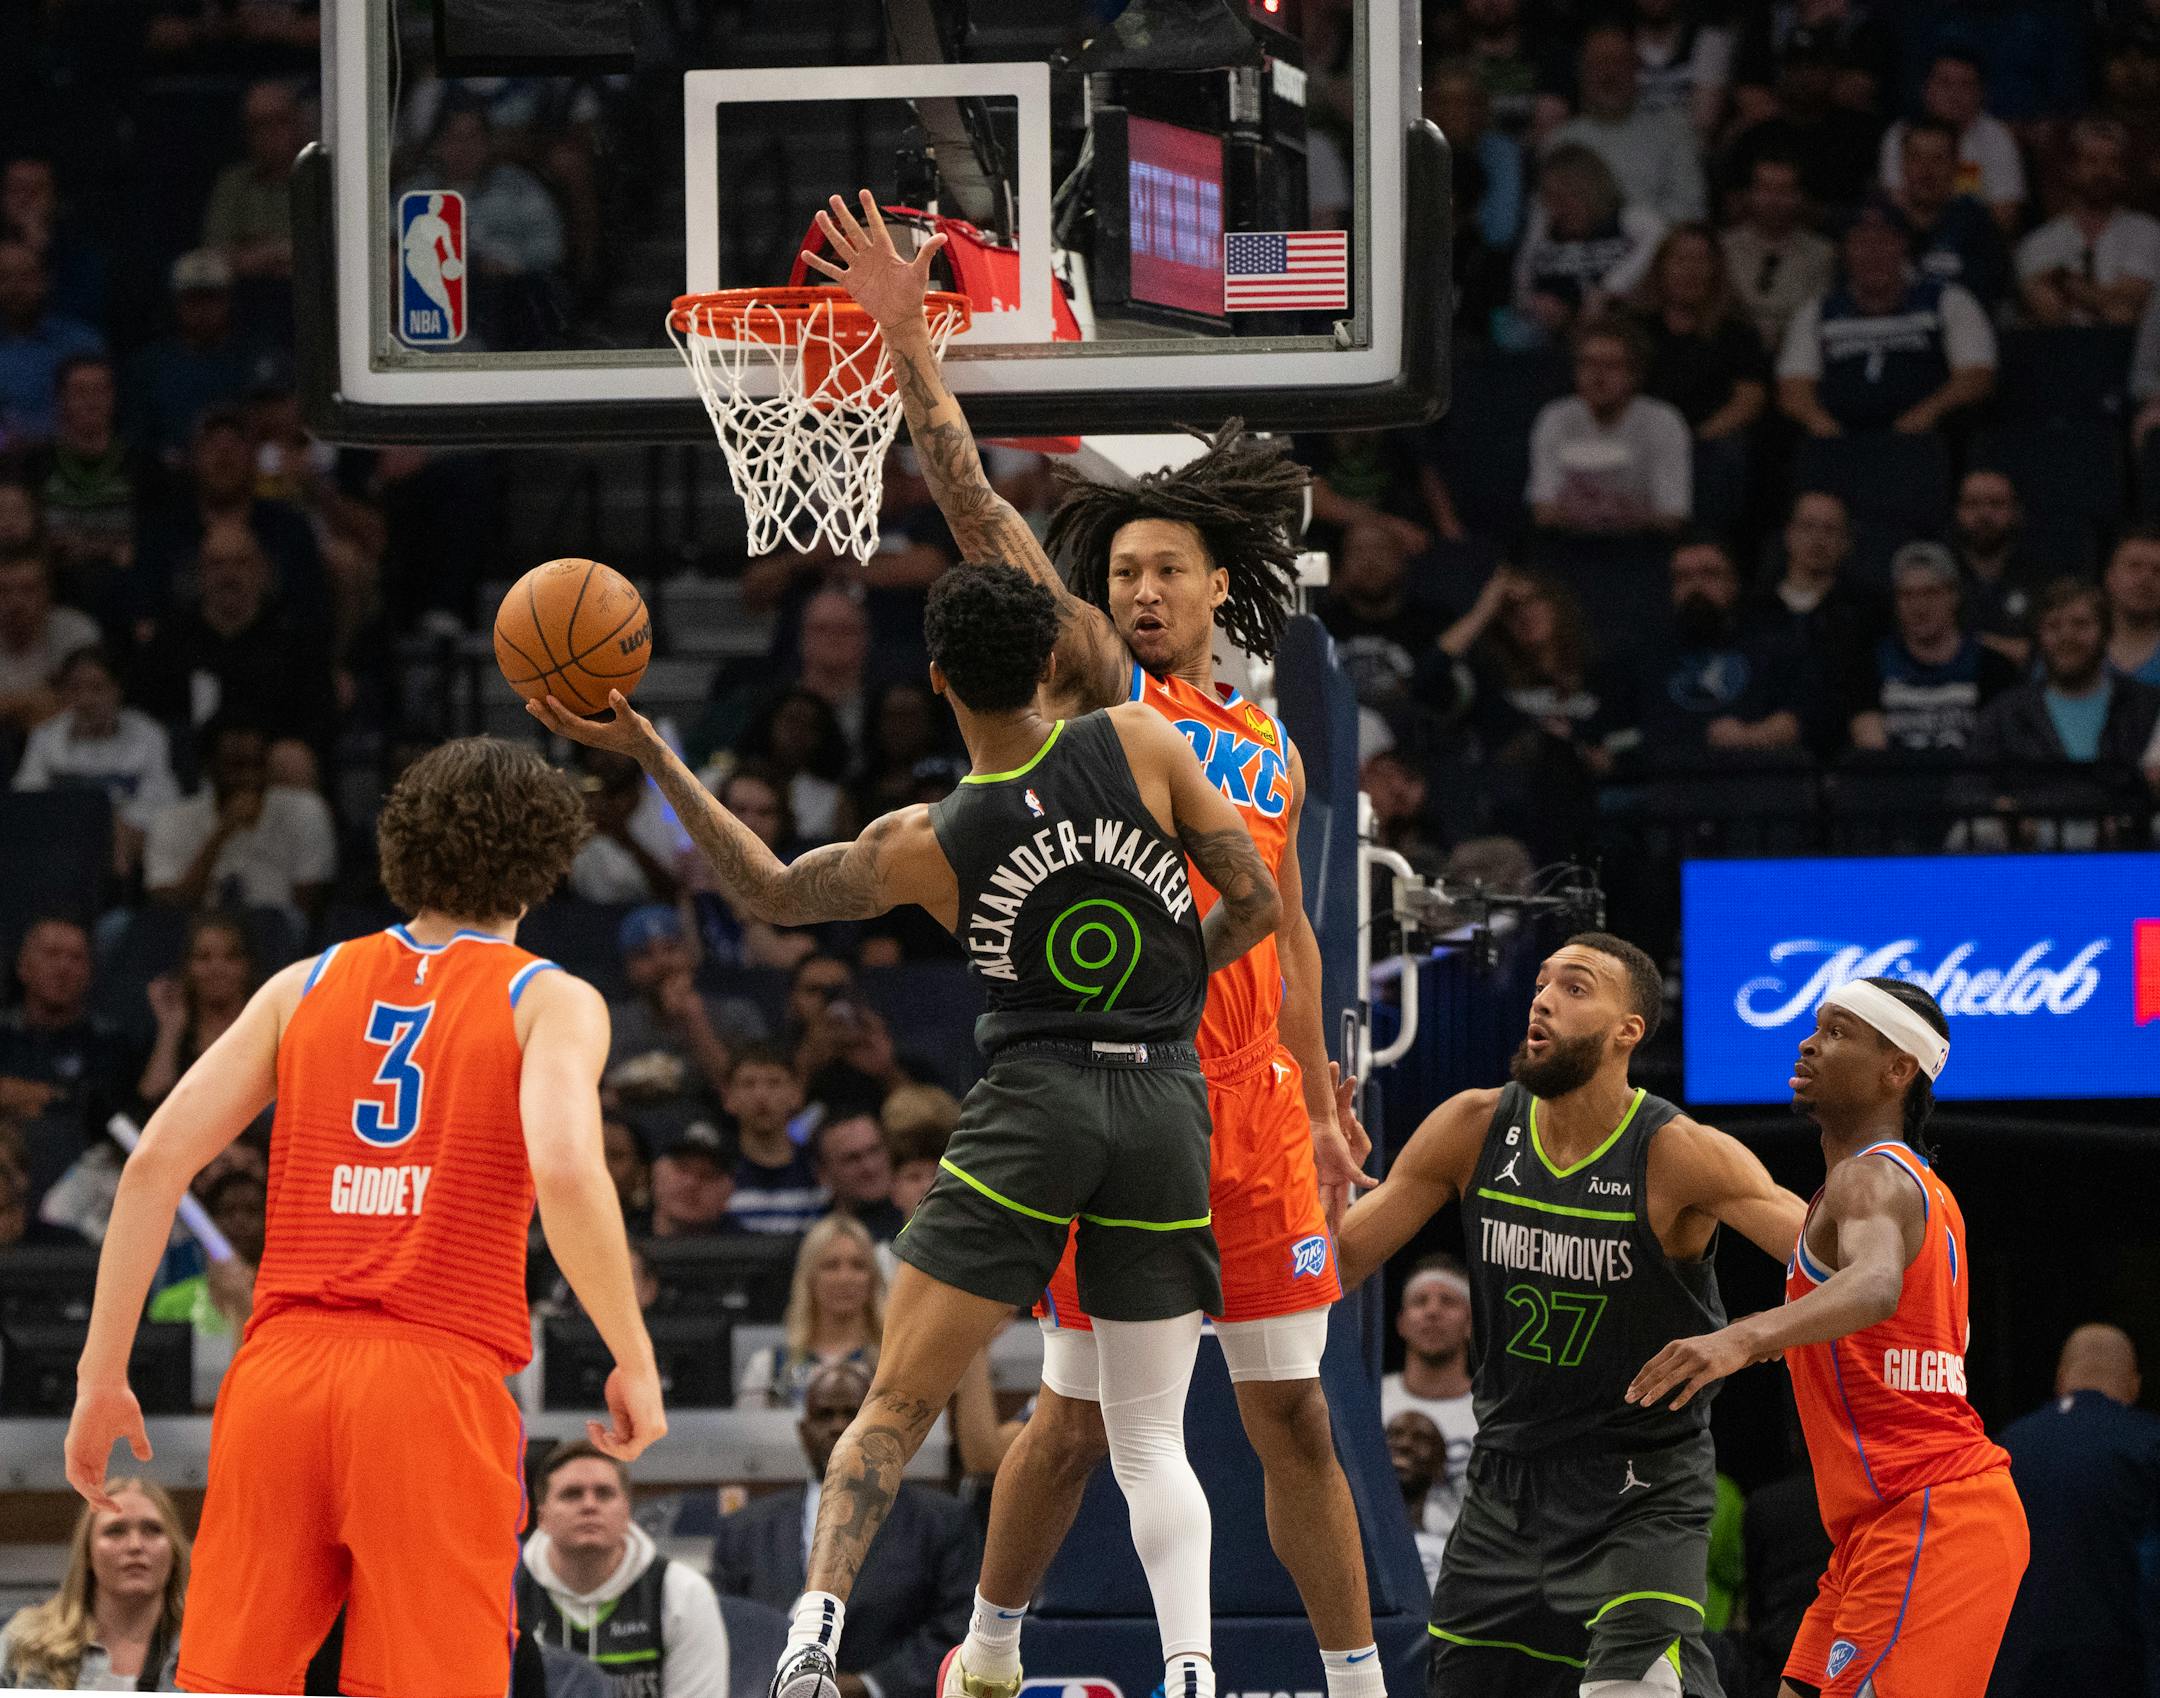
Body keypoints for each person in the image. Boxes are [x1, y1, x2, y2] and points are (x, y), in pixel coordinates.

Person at [801, 189, 1382, 1698]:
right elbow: (980, 514)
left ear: (1220, 588)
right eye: (1119, 572)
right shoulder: (1111, 711)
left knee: (1296, 1418)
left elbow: (1300, 941)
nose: (1137, 588)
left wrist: (1321, 1100)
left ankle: (1358, 1679)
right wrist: (915, 348)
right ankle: (990, 1650)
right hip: (1120, 1082)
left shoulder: (1272, 746)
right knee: (1071, 1421)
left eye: (1162, 569)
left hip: (1248, 1102)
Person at [530, 549, 1279, 1698]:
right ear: (1047, 661)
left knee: (894, 1401)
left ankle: (806, 1647)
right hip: (1162, 1100)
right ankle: (1190, 1672)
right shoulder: (1144, 743)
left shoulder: (929, 837)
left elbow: (773, 893)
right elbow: (1260, 901)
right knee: (1147, 1439)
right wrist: (1171, 1000)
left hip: (1034, 1101)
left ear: (934, 682)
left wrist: (649, 751)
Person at [62, 736, 668, 1698]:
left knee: (227, 1686)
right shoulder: (548, 998)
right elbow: (563, 1164)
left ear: (405, 846)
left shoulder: (301, 984)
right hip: (432, 1378)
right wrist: (631, 1355)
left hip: (280, 1377)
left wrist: (103, 1375)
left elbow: (151, 1167)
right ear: (548, 861)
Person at [1335, 931, 1806, 1696]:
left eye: (1576, 986)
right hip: (1504, 1486)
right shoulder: (1473, 1125)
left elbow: (1844, 1269)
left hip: (1640, 1488)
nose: (1544, 997)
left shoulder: (1678, 1153)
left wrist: (1744, 1341)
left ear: (1630, 1030)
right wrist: (1308, 1194)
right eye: (1542, 982)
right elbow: (1336, 1265)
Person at [1628, 977, 2029, 1698]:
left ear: (1898, 1069)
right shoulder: (1913, 1191)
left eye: (1839, 1031)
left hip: (1931, 1514)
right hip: (1877, 1532)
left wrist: (1744, 1338)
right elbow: (1865, 1298)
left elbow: (1875, 1288)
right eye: (1816, 1026)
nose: (1811, 1041)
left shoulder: (1869, 1179)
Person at [711, 1361, 977, 1698]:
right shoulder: (745, 1531)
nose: (839, 1426)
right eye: (825, 1416)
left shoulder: (941, 1521)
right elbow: (726, 1629)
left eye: (853, 1414)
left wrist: (868, 1686)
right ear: (804, 1432)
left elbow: (958, 1628)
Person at [1989, 1323, 2160, 1698]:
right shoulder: (2149, 1443)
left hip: (2015, 1668)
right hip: (2117, 1667)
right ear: (2134, 1384)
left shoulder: (2004, 1448)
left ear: (2061, 1379)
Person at [517, 1441, 731, 1698]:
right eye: (572, 1494)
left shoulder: (683, 1592)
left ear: (627, 1511)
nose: (589, 1505)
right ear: (542, 1517)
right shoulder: (508, 1590)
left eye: (604, 1493)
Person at [1778, 206, 1997, 441]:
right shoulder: (1818, 312)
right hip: (1838, 441)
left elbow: (1976, 376)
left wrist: (1928, 413)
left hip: (1927, 438)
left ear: (1904, 246)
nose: (1873, 253)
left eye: (1884, 241)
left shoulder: (1948, 301)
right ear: (1844, 251)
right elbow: (1794, 386)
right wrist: (1819, 422)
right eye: (1861, 243)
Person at [1624, 535, 1806, 760]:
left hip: (1749, 776)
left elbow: (1797, 720)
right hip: (1666, 780)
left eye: (1710, 574)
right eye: (1683, 577)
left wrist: (1751, 736)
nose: (1696, 586)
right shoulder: (1647, 654)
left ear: (1734, 582)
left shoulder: (1772, 647)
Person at [0, 916, 137, 1211]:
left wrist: (32, 1095)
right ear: (23, 966)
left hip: (82, 1187)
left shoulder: (110, 1043)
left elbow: (102, 1113)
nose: (63, 967)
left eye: (75, 958)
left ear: (89, 972)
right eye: (51, 954)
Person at [142, 718, 337, 923]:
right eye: (236, 765)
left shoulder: (305, 809)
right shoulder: (172, 818)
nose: (249, 777)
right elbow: (167, 907)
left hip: (275, 926)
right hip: (197, 930)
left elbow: (309, 908)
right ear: (210, 766)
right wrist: (221, 833)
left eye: (257, 764)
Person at [0, 1478, 188, 1690]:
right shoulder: (25, 1646)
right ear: (88, 1552)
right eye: (115, 1530)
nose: (135, 1545)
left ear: (174, 1550)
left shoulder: (207, 1654)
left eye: (153, 1530)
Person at [10, 643, 179, 878]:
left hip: (130, 848)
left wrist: (115, 825)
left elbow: (163, 802)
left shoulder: (148, 735)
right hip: (62, 843)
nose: (85, 700)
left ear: (117, 690)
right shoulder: (46, 736)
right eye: (75, 689)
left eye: (97, 688)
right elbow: (27, 798)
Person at [1971, 578, 2160, 784]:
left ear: (2106, 633)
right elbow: (1967, 788)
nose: (2067, 636)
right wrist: (2002, 806)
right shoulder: (2006, 713)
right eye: (2053, 626)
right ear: (2039, 636)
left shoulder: (2147, 707)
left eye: (2081, 624)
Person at [1845, 543, 2019, 755]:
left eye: (1930, 593)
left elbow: (1997, 751)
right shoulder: (1869, 667)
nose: (1919, 607)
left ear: (1954, 596)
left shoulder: (1993, 668)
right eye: (1907, 595)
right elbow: (1872, 754)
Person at [1528, 319, 1694, 537]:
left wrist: (1617, 516)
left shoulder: (1663, 420)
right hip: (1570, 543)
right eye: (1588, 364)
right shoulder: (1555, 416)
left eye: (1611, 366)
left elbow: (1673, 515)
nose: (1598, 377)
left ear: (1635, 374)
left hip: (1640, 546)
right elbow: (1543, 509)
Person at [1547, 26, 1708, 225]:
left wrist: (1633, 227)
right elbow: (1549, 218)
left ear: (1636, 69)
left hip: (1657, 247)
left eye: (1619, 62)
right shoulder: (1561, 141)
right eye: (1598, 63)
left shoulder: (1673, 131)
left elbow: (1691, 209)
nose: (1609, 73)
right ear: (1581, 72)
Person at [607, 904, 768, 1100]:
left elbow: (747, 1098)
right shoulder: (612, 1023)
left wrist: (694, 1020)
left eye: (671, 948)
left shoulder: (737, 1013)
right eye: (644, 954)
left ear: (690, 954)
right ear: (628, 968)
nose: (662, 962)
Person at [1511, 145, 1667, 345]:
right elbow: (1521, 287)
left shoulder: (1627, 221)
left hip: (1622, 336)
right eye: (1549, 199)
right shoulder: (1543, 230)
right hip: (1555, 341)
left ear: (1591, 191)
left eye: (1564, 199)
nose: (1557, 210)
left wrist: (1608, 289)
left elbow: (1662, 237)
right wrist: (1534, 304)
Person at [2016, 118, 2160, 328]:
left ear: (2124, 172)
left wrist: (2066, 282)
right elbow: (2047, 306)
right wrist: (2103, 300)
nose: (2103, 171)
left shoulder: (2148, 232)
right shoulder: (2039, 241)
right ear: (2071, 169)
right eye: (2092, 161)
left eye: (2112, 161)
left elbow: (2133, 299)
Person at [738, 1214, 888, 1410]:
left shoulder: (893, 1367)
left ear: (873, 1278)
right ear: (808, 1278)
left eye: (858, 1265)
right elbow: (748, 1437)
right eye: (830, 1266)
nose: (845, 1278)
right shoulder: (768, 1368)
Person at [1381, 1256, 1477, 1548]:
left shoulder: (1491, 1412)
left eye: (1448, 1301)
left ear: (1470, 1323)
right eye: (1420, 1301)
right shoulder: (1371, 1401)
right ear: (1401, 1322)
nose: (1433, 1311)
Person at [1877, 51, 2026, 233]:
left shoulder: (1997, 137)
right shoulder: (1901, 132)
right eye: (1945, 83)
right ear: (1926, 89)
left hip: (1974, 243)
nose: (1954, 95)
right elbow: (1895, 202)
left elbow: (2005, 213)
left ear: (1981, 93)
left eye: (1965, 85)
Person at [1876, 119, 2010, 311]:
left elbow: (1989, 295)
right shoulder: (1878, 225)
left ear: (1956, 165)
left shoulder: (1977, 225)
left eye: (1938, 159)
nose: (1926, 171)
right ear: (1903, 164)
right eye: (1916, 157)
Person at [1722, 154, 1837, 354]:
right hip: (1733, 355)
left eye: (1784, 191)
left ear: (1800, 196)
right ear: (1750, 193)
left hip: (1798, 354)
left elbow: (1817, 316)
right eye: (1765, 189)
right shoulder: (1724, 247)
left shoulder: (1823, 254)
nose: (1773, 200)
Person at [139, 914, 258, 1107]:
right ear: (188, 968)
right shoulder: (175, 1037)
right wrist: (170, 1028)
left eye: (230, 957)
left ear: (247, 966)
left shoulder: (270, 1032)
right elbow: (151, 1100)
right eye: (203, 958)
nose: (217, 968)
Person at [0, 240, 103, 450]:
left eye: (26, 276)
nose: (16, 287)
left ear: (44, 280)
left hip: (72, 457)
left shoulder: (82, 344)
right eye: (5, 278)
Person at [721, 1045, 826, 1236]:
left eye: (774, 1083)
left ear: (796, 1094)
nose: (761, 1096)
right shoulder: (716, 1174)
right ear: (728, 1098)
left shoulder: (821, 1170)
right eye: (748, 1084)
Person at [1947, 470, 2043, 665]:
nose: (1984, 514)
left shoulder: (2040, 578)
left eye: (1996, 504)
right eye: (1972, 504)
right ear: (1957, 512)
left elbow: (2045, 652)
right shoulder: (1939, 577)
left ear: (2016, 512)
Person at [0, 549, 97, 733]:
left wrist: (10, 706)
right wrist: (33, 704)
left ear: (47, 593)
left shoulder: (76, 632)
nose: (16, 602)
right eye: (4, 591)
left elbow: (88, 703)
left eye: (28, 589)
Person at [643, 1117, 746, 1240]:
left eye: (708, 1174)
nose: (691, 1183)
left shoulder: (754, 1250)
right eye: (682, 1168)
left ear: (729, 1189)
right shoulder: (621, 1241)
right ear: (655, 1172)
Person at [811, 1114, 905, 1242]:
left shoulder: (926, 1223)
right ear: (824, 1174)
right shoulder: (816, 1241)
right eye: (852, 1159)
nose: (869, 1167)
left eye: (875, 1151)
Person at [1387, 1410, 1451, 1591]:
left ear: (1440, 1465)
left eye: (1421, 1438)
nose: (1405, 1444)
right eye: (1395, 1435)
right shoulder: (1353, 1543)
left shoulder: (1453, 1553)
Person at [2106, 525, 2160, 684]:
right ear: (2111, 577)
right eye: (2134, 566)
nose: (2146, 579)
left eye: (2158, 570)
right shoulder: (2071, 652)